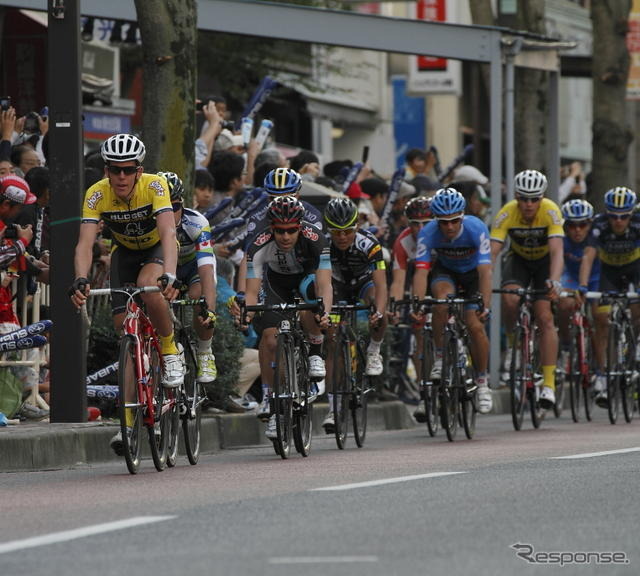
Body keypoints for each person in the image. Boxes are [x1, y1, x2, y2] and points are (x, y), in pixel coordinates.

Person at [69, 133, 184, 455]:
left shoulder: (155, 186)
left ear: (139, 170)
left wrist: (170, 273)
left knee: (150, 287)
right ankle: (129, 422)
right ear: (106, 170)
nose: (121, 176)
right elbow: (84, 244)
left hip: (157, 249)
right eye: (115, 169)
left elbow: (168, 232)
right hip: (125, 254)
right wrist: (80, 278)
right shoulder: (96, 194)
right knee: (126, 333)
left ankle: (169, 348)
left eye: (128, 169)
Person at [241, 196, 332, 440]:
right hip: (276, 284)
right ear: (271, 227)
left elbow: (325, 284)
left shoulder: (316, 238)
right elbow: (251, 291)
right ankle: (274, 405)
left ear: (300, 226)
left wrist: (325, 313)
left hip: (306, 279)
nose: (285, 236)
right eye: (279, 231)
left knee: (312, 298)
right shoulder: (258, 243)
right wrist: (247, 313)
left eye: (292, 230)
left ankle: (315, 351)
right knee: (271, 339)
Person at [412, 188, 493, 413]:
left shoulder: (476, 228)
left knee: (475, 326)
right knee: (440, 301)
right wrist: (417, 302)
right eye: (443, 222)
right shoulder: (428, 232)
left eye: (454, 221)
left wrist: (485, 304)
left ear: (462, 216)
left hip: (473, 276)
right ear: (436, 220)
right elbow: (421, 272)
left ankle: (482, 383)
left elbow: (485, 272)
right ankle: (439, 357)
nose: (449, 227)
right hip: (446, 273)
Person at [490, 169, 564, 409]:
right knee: (510, 299)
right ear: (516, 197)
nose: (529, 204)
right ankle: (514, 343)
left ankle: (549, 384)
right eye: (523, 198)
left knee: (544, 317)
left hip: (544, 264)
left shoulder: (551, 211)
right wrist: (482, 282)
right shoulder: (506, 213)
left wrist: (554, 280)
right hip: (519, 261)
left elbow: (557, 251)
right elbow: (492, 252)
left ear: (542, 198)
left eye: (534, 199)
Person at [321, 197, 387, 433]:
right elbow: (321, 283)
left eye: (347, 231)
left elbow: (381, 285)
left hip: (363, 284)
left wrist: (378, 312)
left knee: (379, 306)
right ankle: (332, 408)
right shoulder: (322, 244)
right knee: (332, 340)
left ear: (357, 226)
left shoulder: (370, 244)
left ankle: (374, 350)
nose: (342, 237)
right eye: (336, 232)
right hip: (336, 287)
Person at [578, 186, 640, 407]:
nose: (618, 221)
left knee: (637, 313)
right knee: (601, 320)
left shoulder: (638, 223)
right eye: (613, 216)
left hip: (635, 270)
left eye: (624, 216)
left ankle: (636, 349)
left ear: (631, 214)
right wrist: (583, 286)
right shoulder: (599, 224)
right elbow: (588, 257)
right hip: (609, 272)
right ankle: (602, 375)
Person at [159, 171, 217, 384]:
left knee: (198, 297)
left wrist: (210, 309)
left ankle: (205, 351)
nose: (168, 214)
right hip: (165, 266)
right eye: (162, 208)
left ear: (182, 204)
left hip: (193, 268)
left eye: (174, 207)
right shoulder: (150, 224)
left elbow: (206, 268)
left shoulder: (197, 222)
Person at [389, 196, 433, 420]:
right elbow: (398, 281)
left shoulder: (441, 234)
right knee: (419, 335)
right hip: (418, 283)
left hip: (441, 278)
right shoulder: (403, 241)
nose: (420, 229)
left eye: (426, 223)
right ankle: (425, 393)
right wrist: (395, 306)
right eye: (415, 223)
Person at [556, 199, 599, 377]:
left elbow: (587, 261)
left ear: (590, 224)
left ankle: (599, 365)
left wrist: (583, 287)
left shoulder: (596, 236)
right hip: (572, 278)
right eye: (572, 225)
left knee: (599, 316)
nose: (578, 230)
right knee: (563, 304)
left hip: (596, 278)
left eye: (582, 225)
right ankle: (566, 343)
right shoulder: (561, 238)